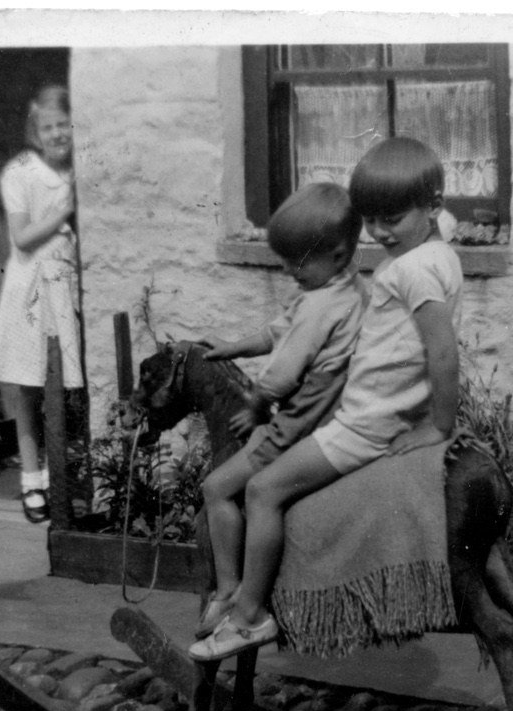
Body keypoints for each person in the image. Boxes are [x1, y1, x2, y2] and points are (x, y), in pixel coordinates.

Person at [190, 137, 463, 660]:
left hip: (366, 421)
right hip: (369, 409)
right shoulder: (436, 250)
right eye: (371, 220)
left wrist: (439, 426)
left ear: (432, 205)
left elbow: (443, 352)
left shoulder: (410, 269)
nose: (379, 232)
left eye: (392, 219)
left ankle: (249, 613)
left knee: (263, 491)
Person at [193, 183, 367, 638]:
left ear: (337, 252)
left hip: (301, 418)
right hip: (335, 413)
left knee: (217, 487)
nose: (289, 270)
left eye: (299, 261)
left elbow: (283, 375)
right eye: (285, 259)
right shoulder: (348, 288)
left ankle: (231, 592)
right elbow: (277, 332)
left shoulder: (319, 304)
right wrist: (233, 346)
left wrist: (254, 405)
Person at [0, 85, 79, 523]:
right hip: (32, 285)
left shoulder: (79, 168)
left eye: (64, 123)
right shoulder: (19, 172)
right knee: (29, 385)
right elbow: (22, 236)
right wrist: (65, 212)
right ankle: (30, 479)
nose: (57, 133)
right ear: (35, 131)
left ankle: (67, 475)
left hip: (69, 283)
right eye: (48, 126)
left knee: (70, 382)